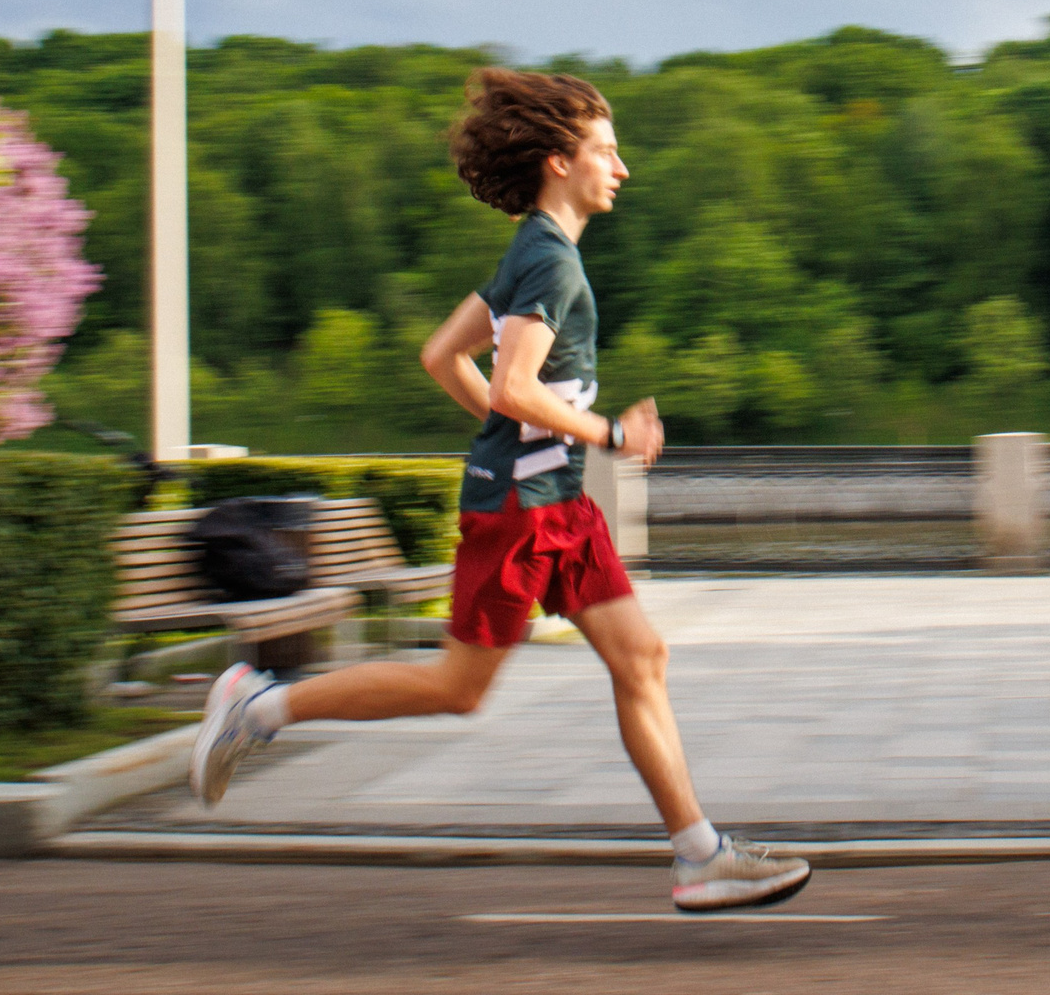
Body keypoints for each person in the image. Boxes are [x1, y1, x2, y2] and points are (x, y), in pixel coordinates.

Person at [188, 68, 812, 913]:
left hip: (554, 501)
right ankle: (260, 706)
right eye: (607, 151)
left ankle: (699, 855)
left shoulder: (532, 251)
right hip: (521, 514)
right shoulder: (549, 264)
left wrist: (525, 436)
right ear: (561, 162)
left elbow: (442, 355)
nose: (621, 169)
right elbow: (513, 387)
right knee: (459, 687)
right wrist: (607, 435)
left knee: (642, 657)